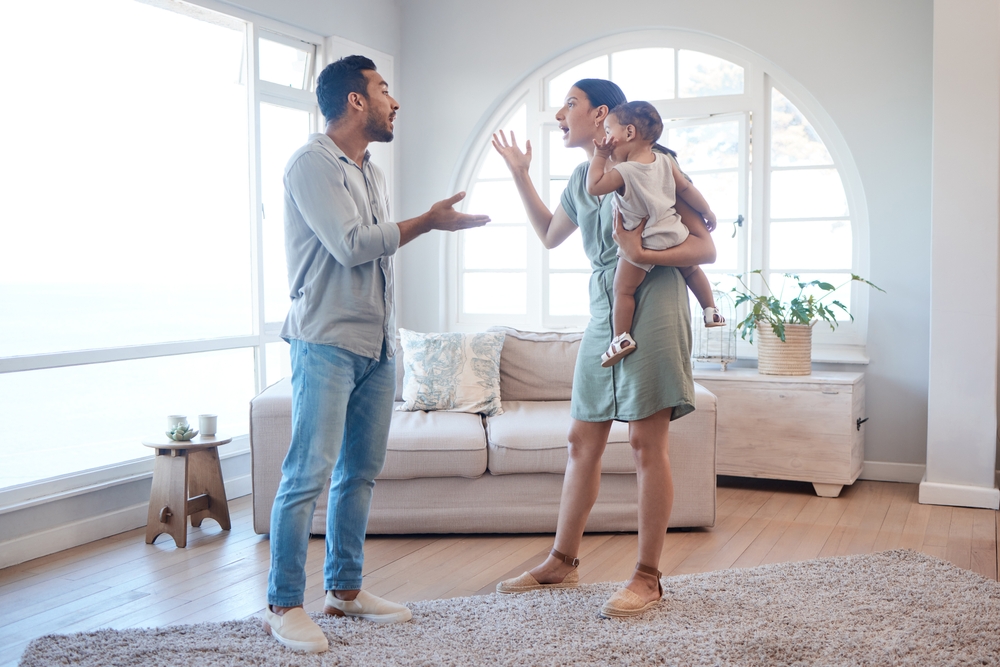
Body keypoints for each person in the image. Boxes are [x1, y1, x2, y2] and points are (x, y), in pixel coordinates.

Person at [263, 55, 490, 654]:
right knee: (306, 473)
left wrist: (392, 337)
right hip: (325, 343)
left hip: (377, 344)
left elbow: (378, 258)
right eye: (384, 89)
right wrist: (431, 222)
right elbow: (351, 245)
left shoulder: (371, 171)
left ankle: (345, 590)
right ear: (357, 101)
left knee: (358, 474)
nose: (395, 102)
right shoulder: (312, 163)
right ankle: (284, 603)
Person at [490, 78, 715, 617]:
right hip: (604, 310)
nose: (560, 112)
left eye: (571, 103)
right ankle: (562, 561)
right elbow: (549, 234)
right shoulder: (580, 178)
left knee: (644, 442)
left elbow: (704, 244)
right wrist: (521, 177)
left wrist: (639, 252)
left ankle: (647, 577)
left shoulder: (658, 166)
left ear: (605, 116)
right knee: (580, 439)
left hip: (655, 302)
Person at [586, 100, 724, 368]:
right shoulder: (664, 162)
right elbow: (685, 189)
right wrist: (707, 210)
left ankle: (620, 338)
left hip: (642, 240)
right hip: (673, 233)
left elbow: (594, 186)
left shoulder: (623, 172)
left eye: (608, 130)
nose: (605, 138)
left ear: (628, 133)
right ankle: (711, 311)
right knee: (692, 270)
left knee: (623, 290)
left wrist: (600, 156)